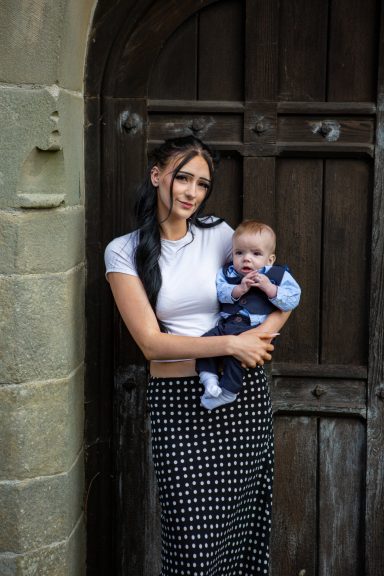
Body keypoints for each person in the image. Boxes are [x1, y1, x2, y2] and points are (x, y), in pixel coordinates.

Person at [104, 136, 291, 576]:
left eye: (202, 184)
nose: (191, 192)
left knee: (242, 536)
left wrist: (258, 338)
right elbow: (151, 343)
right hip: (177, 404)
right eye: (182, 177)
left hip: (241, 399)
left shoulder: (222, 235)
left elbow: (279, 296)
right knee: (192, 546)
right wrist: (230, 344)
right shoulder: (124, 251)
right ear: (156, 176)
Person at [197, 220, 301, 410]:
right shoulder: (227, 273)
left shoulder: (278, 275)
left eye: (256, 254)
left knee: (235, 357)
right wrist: (239, 288)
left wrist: (270, 288)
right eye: (239, 253)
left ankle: (228, 391)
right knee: (205, 343)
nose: (246, 259)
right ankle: (209, 380)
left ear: (270, 260)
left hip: (253, 328)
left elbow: (292, 299)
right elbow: (221, 293)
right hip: (227, 326)